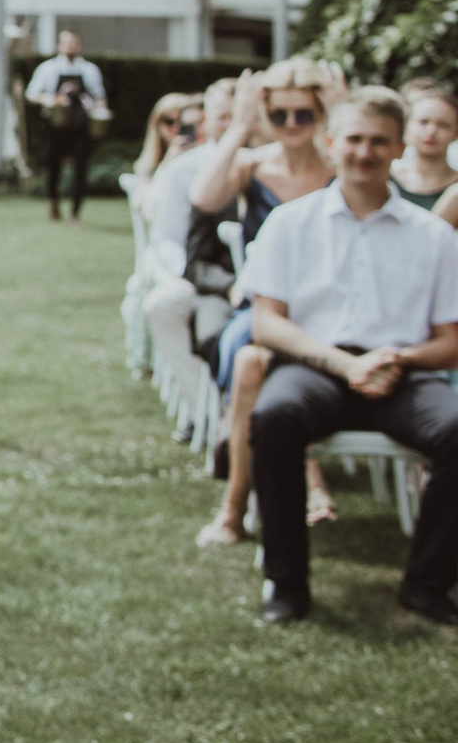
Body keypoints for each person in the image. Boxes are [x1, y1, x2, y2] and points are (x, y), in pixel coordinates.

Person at [239, 86, 458, 625]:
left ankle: (427, 584)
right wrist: (343, 364)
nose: (365, 153)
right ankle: (287, 586)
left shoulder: (434, 236)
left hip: (400, 373)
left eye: (379, 142)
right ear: (331, 143)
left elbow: (450, 340)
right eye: (354, 140)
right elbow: (266, 322)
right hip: (315, 367)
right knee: (273, 417)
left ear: (399, 148)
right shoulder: (291, 223)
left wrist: (396, 361)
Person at [193, 63, 343, 548]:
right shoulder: (250, 165)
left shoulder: (342, 167)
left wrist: (343, 117)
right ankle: (286, 491)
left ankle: (240, 506)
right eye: (280, 114)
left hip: (329, 309)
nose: (293, 123)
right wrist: (238, 125)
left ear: (321, 114)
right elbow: (203, 196)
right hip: (264, 304)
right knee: (246, 358)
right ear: (266, 114)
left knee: (258, 365)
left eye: (305, 112)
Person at [141, 77, 238, 384]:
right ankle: (201, 409)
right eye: (224, 117)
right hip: (189, 269)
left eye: (238, 117)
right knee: (164, 305)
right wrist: (191, 274)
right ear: (207, 120)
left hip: (235, 277)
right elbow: (166, 237)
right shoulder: (184, 168)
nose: (232, 125)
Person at [26, 31, 110, 222]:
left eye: (74, 43)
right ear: (59, 46)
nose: (71, 46)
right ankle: (53, 203)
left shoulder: (89, 70)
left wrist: (101, 114)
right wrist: (50, 100)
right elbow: (31, 94)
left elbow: (100, 97)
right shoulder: (48, 69)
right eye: (67, 43)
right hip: (54, 125)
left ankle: (75, 212)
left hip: (80, 126)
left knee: (80, 168)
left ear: (79, 46)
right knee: (53, 166)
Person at [392, 79, 458, 218]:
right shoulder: (385, 179)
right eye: (423, 122)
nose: (431, 131)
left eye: (444, 125)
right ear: (406, 127)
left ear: (455, 133)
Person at [133, 92, 198, 183]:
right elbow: (143, 196)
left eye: (182, 120)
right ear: (157, 125)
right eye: (169, 121)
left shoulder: (204, 151)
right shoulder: (147, 165)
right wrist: (168, 162)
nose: (177, 127)